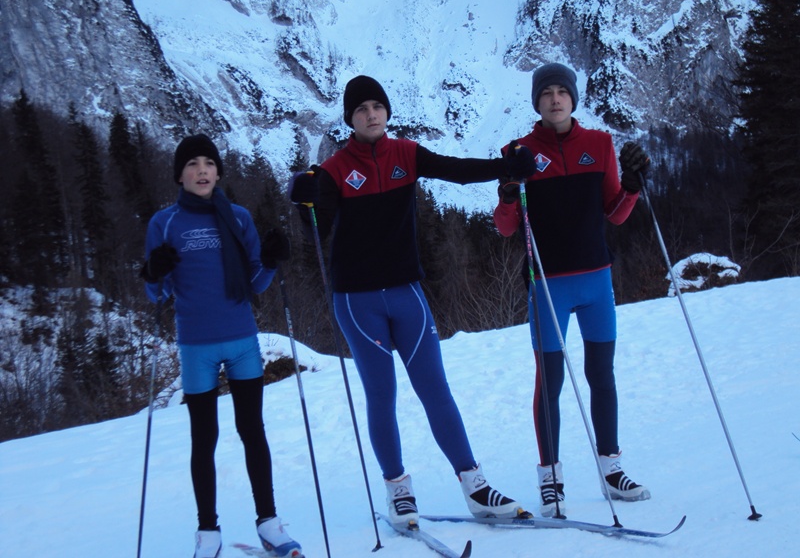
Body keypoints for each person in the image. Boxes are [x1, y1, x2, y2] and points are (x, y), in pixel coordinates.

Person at [288, 75, 536, 527]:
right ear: (350, 119)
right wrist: (303, 202)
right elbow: (316, 230)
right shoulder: (335, 170)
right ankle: (398, 491)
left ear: (387, 112)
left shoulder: (406, 153)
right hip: (357, 301)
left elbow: (457, 169)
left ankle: (475, 486)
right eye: (361, 109)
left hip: (407, 292)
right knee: (382, 395)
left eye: (377, 106)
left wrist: (507, 167)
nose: (371, 114)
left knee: (435, 389)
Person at [492, 63, 652, 518]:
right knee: (551, 383)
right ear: (537, 102)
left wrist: (632, 189)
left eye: (562, 91)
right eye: (546, 93)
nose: (555, 99)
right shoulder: (518, 152)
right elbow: (505, 227)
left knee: (602, 375)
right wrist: (508, 193)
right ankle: (551, 479)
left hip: (597, 279)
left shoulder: (599, 144)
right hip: (548, 285)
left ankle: (612, 470)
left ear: (573, 98)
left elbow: (615, 212)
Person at [140, 134, 302, 558]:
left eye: (209, 163)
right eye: (192, 164)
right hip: (196, 346)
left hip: (242, 340)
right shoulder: (165, 223)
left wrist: (270, 261)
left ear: (218, 172)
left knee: (253, 432)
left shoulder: (239, 218)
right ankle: (208, 531)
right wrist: (152, 272)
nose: (201, 170)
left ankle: (269, 522)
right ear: (179, 175)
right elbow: (157, 294)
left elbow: (256, 283)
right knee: (203, 438)